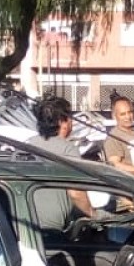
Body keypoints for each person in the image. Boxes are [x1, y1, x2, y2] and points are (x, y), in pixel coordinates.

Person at [27, 97, 95, 230]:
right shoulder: (68, 150)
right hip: (52, 231)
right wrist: (94, 215)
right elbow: (76, 193)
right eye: (70, 117)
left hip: (25, 226)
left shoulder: (27, 145)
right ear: (61, 121)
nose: (72, 121)